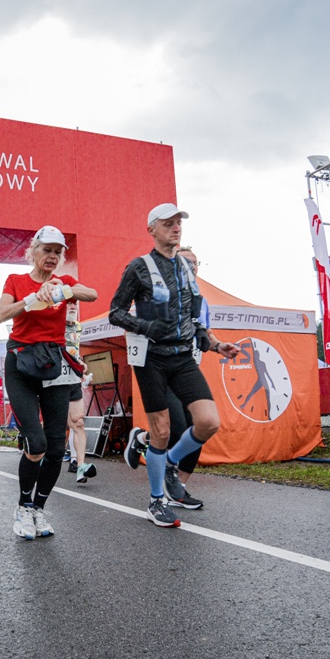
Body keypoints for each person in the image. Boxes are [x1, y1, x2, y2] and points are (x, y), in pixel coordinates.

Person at [110, 204, 240, 528]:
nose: (176, 228)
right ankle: (156, 501)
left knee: (208, 422)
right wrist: (145, 326)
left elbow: (192, 316)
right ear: (152, 230)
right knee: (162, 431)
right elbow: (116, 312)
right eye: (168, 223)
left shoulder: (185, 267)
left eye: (179, 222)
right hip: (151, 357)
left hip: (182, 357)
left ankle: (169, 462)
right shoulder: (139, 267)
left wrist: (213, 343)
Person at [0, 225, 97, 539]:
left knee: (55, 447)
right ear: (33, 251)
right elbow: (1, 315)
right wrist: (30, 299)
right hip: (21, 363)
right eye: (47, 250)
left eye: (58, 252)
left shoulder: (63, 281)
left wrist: (62, 290)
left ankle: (38, 509)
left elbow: (91, 294)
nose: (52, 256)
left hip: (54, 362)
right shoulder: (16, 280)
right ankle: (23, 507)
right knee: (36, 444)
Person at [64, 302, 97, 484]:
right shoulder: (53, 325)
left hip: (73, 379)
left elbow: (74, 350)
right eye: (68, 303)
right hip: (54, 381)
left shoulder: (78, 326)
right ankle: (41, 461)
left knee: (78, 423)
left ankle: (80, 466)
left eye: (75, 303)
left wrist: (80, 364)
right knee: (54, 427)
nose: (72, 306)